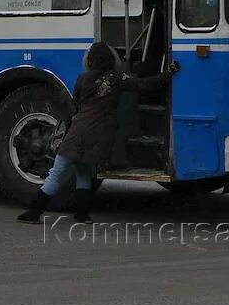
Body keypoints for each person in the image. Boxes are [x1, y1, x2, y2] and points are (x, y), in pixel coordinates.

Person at [17, 43, 177, 225]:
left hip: (78, 132)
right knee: (84, 172)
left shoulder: (82, 79)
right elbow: (144, 84)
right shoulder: (117, 77)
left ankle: (34, 212)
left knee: (57, 173)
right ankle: (82, 214)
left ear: (91, 60)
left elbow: (75, 105)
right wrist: (169, 73)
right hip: (100, 135)